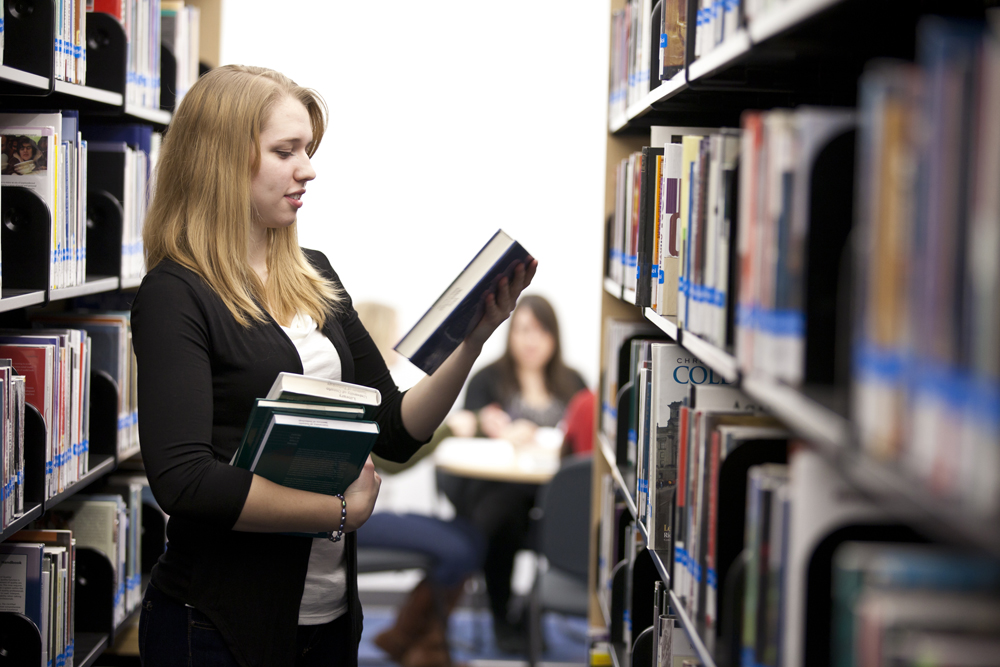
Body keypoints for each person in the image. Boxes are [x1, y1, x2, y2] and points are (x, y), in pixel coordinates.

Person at [131, 64, 535, 667]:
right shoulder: (175, 294)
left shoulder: (315, 273)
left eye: (309, 150)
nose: (309, 169)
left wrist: (472, 341)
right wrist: (338, 513)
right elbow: (184, 480)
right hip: (216, 622)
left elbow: (394, 430)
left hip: (328, 614)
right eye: (285, 151)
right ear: (222, 159)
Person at [440, 295, 587, 653]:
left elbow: (584, 440)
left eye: (540, 331)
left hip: (551, 496)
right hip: (496, 490)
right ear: (510, 335)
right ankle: (504, 618)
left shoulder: (573, 382)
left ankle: (527, 611)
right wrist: (498, 432)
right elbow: (465, 431)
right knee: (500, 513)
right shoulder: (487, 380)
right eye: (523, 330)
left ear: (554, 337)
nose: (531, 340)